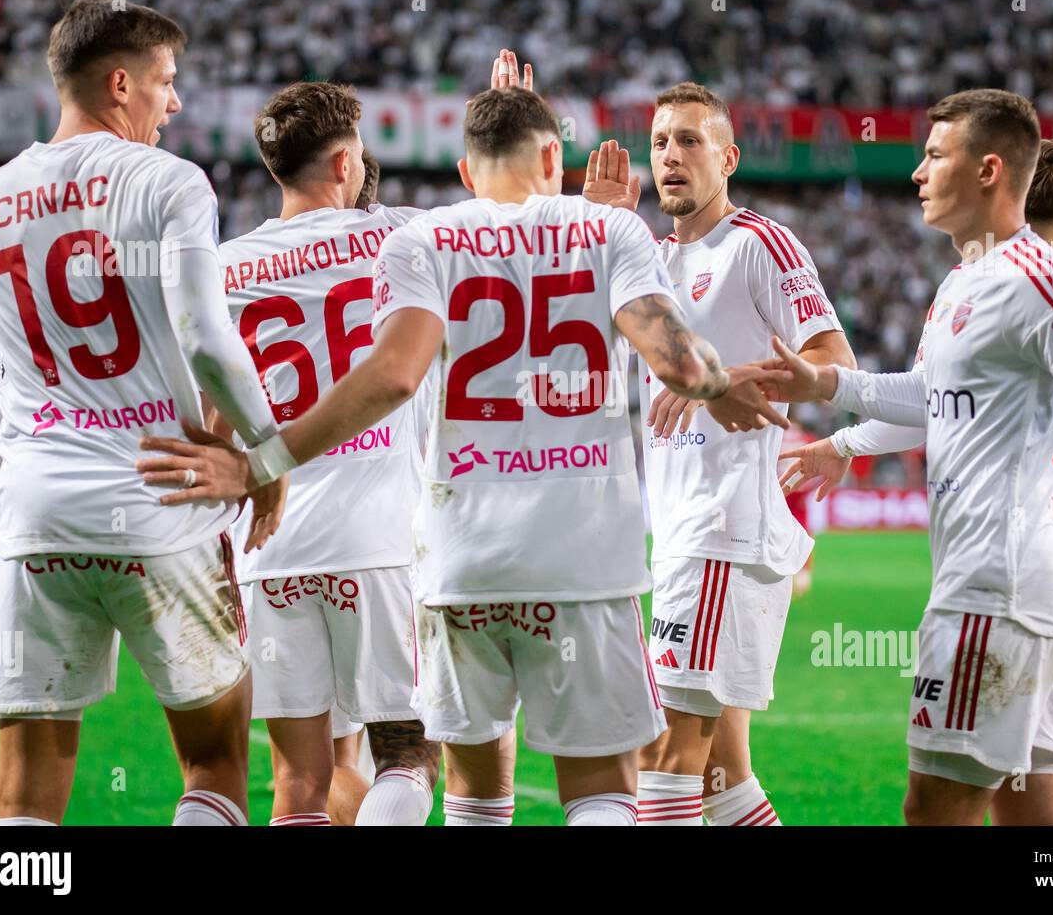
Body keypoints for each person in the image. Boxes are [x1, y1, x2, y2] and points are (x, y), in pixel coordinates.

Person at [136, 82, 792, 824]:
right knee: (594, 789)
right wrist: (714, 381)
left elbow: (387, 375)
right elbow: (675, 361)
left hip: (451, 562)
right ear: (554, 154)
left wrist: (261, 464)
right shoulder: (603, 232)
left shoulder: (417, 241)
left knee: (453, 796)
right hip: (572, 561)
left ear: (465, 170)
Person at [783, 137, 1053, 825]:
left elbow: (942, 406)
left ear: (999, 187)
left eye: (936, 158)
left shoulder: (1007, 290)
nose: (920, 174)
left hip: (1010, 569)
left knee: (940, 807)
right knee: (1046, 797)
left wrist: (845, 436)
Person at [0, 0, 286, 826]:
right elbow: (207, 340)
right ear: (121, 82)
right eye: (167, 82)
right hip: (161, 503)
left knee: (25, 790)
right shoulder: (168, 182)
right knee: (212, 764)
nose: (175, 102)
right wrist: (266, 460)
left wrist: (25, 471)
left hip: (36, 516)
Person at [582, 82, 855, 825]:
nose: (671, 155)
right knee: (722, 777)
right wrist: (604, 237)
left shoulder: (757, 244)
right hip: (679, 531)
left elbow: (836, 361)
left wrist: (721, 379)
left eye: (691, 141)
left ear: (728, 157)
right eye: (661, 141)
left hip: (724, 532)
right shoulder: (649, 260)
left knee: (661, 756)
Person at [214, 81, 439, 826]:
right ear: (346, 164)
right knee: (406, 757)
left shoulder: (224, 268)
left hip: (268, 547)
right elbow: (502, 221)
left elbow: (209, 415)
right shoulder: (399, 236)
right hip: (377, 541)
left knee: (298, 784)